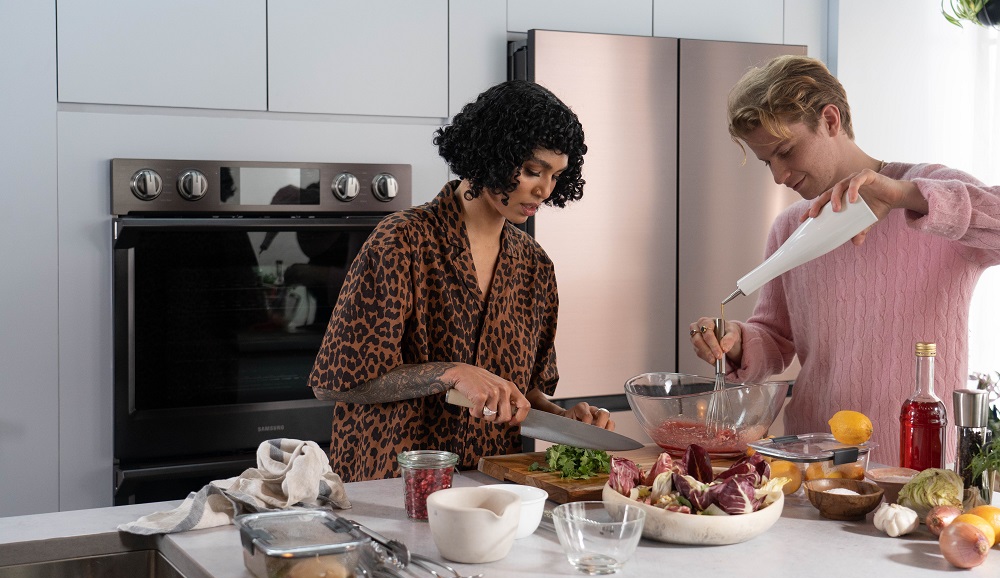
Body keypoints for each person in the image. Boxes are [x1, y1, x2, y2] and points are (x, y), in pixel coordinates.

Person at [689, 55, 1000, 467]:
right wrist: (735, 342)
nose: (779, 176)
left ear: (830, 121)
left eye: (786, 151)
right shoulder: (789, 227)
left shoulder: (929, 191)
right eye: (768, 162)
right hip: (813, 468)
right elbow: (776, 338)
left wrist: (906, 196)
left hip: (915, 468)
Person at [308, 80, 614, 482]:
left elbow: (524, 394)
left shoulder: (535, 267)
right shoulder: (402, 241)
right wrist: (451, 372)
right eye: (531, 171)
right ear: (491, 154)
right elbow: (336, 383)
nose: (543, 189)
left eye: (556, 176)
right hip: (392, 486)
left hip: (490, 489)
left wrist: (565, 419)